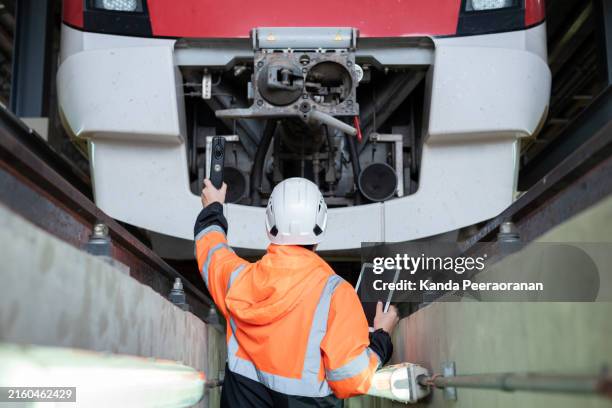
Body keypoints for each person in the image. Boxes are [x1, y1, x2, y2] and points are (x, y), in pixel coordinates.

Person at [195, 177, 399, 407]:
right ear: (321, 225)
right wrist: (381, 337)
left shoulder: (238, 280)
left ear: (268, 224)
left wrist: (213, 206)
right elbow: (352, 378)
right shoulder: (337, 295)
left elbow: (212, 250)